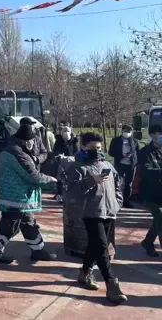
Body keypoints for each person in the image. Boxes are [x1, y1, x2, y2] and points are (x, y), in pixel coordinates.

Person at [67, 132, 127, 304]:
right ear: (83, 146)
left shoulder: (107, 164)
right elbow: (72, 192)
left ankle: (84, 273)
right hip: (91, 213)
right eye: (92, 147)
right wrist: (90, 181)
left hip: (109, 211)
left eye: (99, 148)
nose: (96, 151)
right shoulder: (77, 167)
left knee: (95, 246)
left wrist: (117, 203)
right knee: (102, 248)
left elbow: (117, 185)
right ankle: (112, 284)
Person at [0, 124, 58, 265]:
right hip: (16, 197)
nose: (34, 144)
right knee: (10, 225)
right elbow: (33, 176)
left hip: (18, 196)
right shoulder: (18, 153)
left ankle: (38, 250)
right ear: (26, 141)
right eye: (32, 141)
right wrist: (52, 180)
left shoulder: (15, 149)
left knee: (28, 223)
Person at [138, 123, 162, 258]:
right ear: (152, 135)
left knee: (159, 220)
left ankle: (148, 242)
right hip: (151, 193)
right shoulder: (145, 152)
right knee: (161, 218)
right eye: (160, 134)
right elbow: (147, 171)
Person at [108, 124, 140, 209]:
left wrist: (135, 159)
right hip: (120, 164)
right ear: (122, 131)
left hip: (131, 165)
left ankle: (126, 201)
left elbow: (138, 153)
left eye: (129, 131)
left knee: (129, 184)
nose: (127, 133)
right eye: (125, 131)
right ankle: (117, 200)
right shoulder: (115, 140)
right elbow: (110, 152)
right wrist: (122, 155)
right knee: (118, 182)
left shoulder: (135, 141)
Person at [52, 125, 80, 202]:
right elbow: (55, 150)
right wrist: (59, 155)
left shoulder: (74, 141)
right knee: (60, 179)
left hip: (71, 161)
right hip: (61, 161)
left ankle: (70, 194)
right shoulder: (59, 140)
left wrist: (74, 157)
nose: (66, 133)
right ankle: (59, 194)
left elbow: (76, 151)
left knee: (70, 178)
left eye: (67, 131)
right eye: (64, 131)